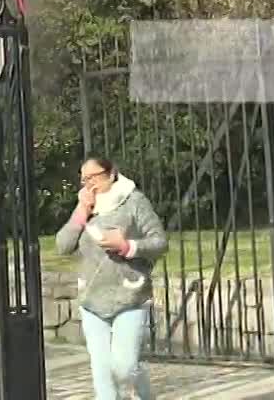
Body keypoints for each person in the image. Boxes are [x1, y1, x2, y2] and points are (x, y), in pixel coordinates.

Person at [55, 156, 167, 400]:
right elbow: (63, 245)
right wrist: (81, 210)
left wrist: (127, 246)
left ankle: (143, 391)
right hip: (92, 298)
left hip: (129, 296)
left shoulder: (134, 201)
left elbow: (159, 242)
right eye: (83, 179)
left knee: (125, 367)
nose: (87, 184)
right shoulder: (86, 206)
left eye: (92, 177)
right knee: (102, 374)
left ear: (111, 174)